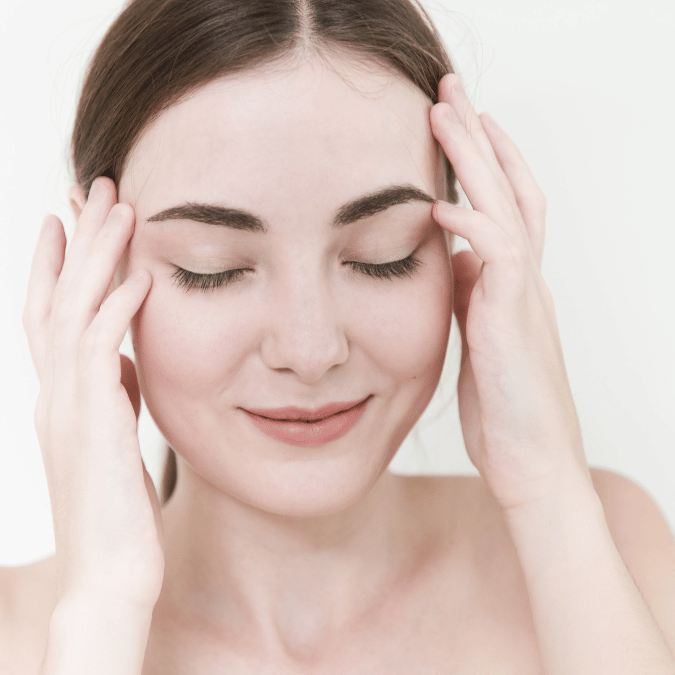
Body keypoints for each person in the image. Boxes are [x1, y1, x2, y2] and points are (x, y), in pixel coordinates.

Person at [2, 0, 675, 673]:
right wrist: (101, 606)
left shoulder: (603, 540)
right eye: (216, 269)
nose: (310, 348)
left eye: (384, 255)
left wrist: (547, 491)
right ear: (93, 271)